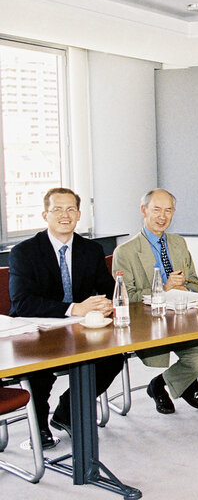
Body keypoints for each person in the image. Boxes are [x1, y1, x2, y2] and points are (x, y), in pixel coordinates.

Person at [8, 187, 124, 449]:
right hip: (35, 329)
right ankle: (38, 425)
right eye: (57, 209)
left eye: (71, 209)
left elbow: (108, 287)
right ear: (45, 215)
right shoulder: (24, 252)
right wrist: (74, 308)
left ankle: (67, 411)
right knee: (40, 369)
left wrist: (106, 302)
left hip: (78, 329)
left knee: (114, 358)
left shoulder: (91, 250)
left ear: (79, 214)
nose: (65, 215)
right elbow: (22, 303)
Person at [112, 189, 198, 414]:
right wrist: (163, 289)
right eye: (156, 210)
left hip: (184, 314)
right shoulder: (125, 251)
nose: (162, 216)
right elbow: (126, 299)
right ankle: (183, 385)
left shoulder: (178, 243)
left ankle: (162, 383)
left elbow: (195, 282)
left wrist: (186, 287)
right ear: (144, 211)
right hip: (151, 322)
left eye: (168, 210)